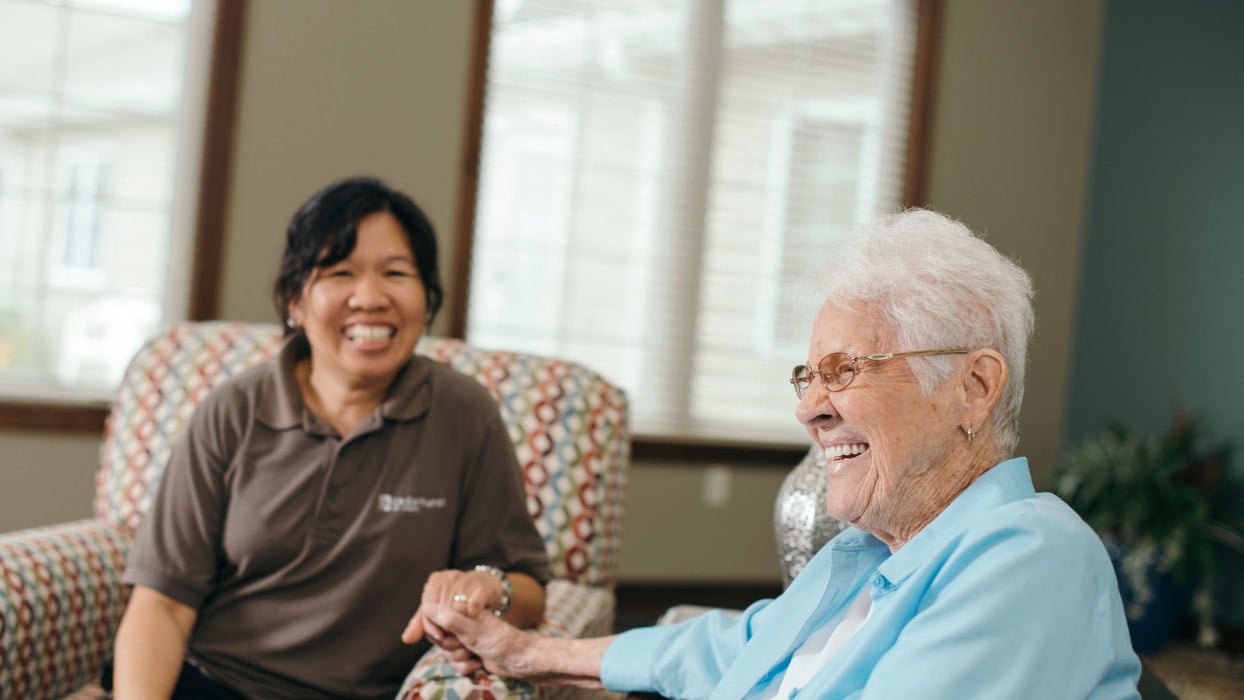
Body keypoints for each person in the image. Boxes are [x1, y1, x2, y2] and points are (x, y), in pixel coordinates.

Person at [403, 209, 1143, 698]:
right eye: (808, 375)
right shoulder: (863, 558)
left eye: (844, 370)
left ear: (973, 387)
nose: (808, 407)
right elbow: (733, 649)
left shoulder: (1031, 556)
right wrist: (530, 654)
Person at [112, 177, 550, 699]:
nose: (370, 297)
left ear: (426, 300)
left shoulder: (463, 414)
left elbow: (526, 588)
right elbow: (161, 602)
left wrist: (486, 587)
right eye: (340, 273)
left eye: (396, 273)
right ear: (295, 299)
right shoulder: (232, 411)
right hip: (214, 682)